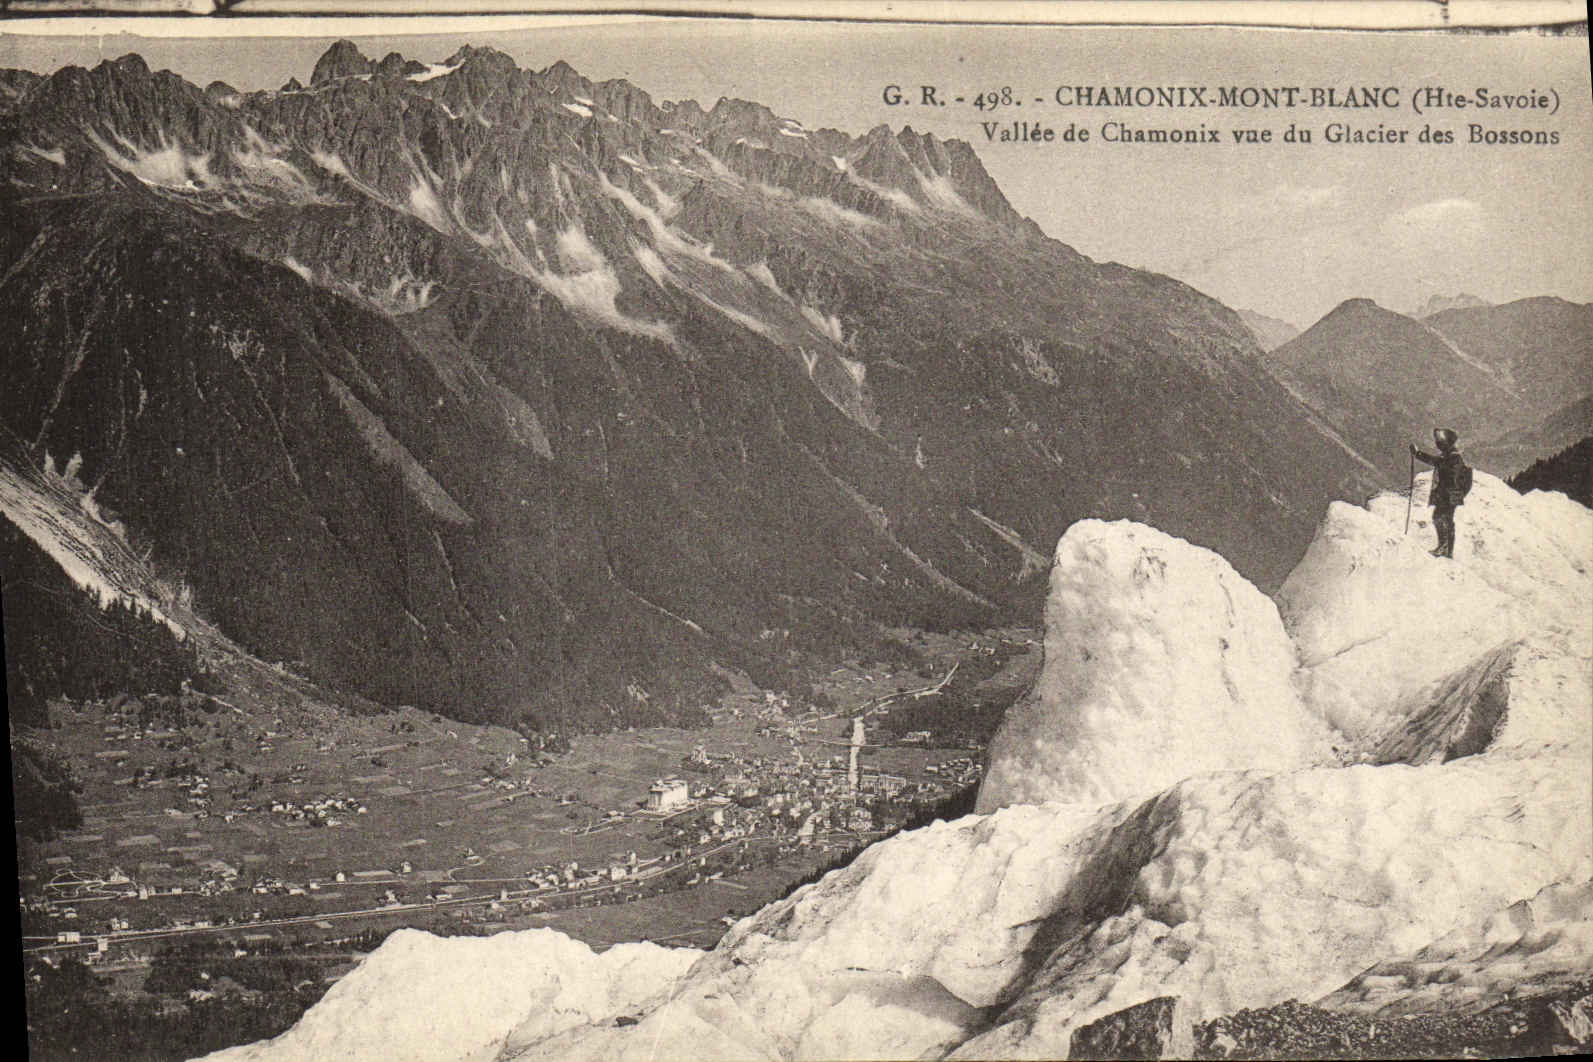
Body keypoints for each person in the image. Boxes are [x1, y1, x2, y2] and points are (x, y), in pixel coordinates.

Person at [1411, 428, 1469, 558]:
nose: (1438, 444)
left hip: (1450, 494)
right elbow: (1438, 463)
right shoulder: (1450, 456)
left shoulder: (1454, 458)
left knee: (1442, 518)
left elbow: (1441, 465)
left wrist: (1418, 454)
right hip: (1450, 494)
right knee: (1443, 518)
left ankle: (1445, 548)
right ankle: (1446, 548)